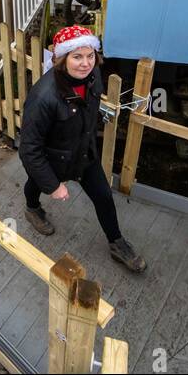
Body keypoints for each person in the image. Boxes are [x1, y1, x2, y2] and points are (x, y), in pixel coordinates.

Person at [18, 26, 147, 273]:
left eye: (90, 56)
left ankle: (116, 242)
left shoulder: (93, 76)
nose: (85, 63)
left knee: (104, 197)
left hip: (83, 153)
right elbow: (29, 149)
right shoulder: (43, 98)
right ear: (61, 59)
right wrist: (53, 186)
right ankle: (32, 209)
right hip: (52, 159)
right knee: (35, 184)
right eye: (77, 57)